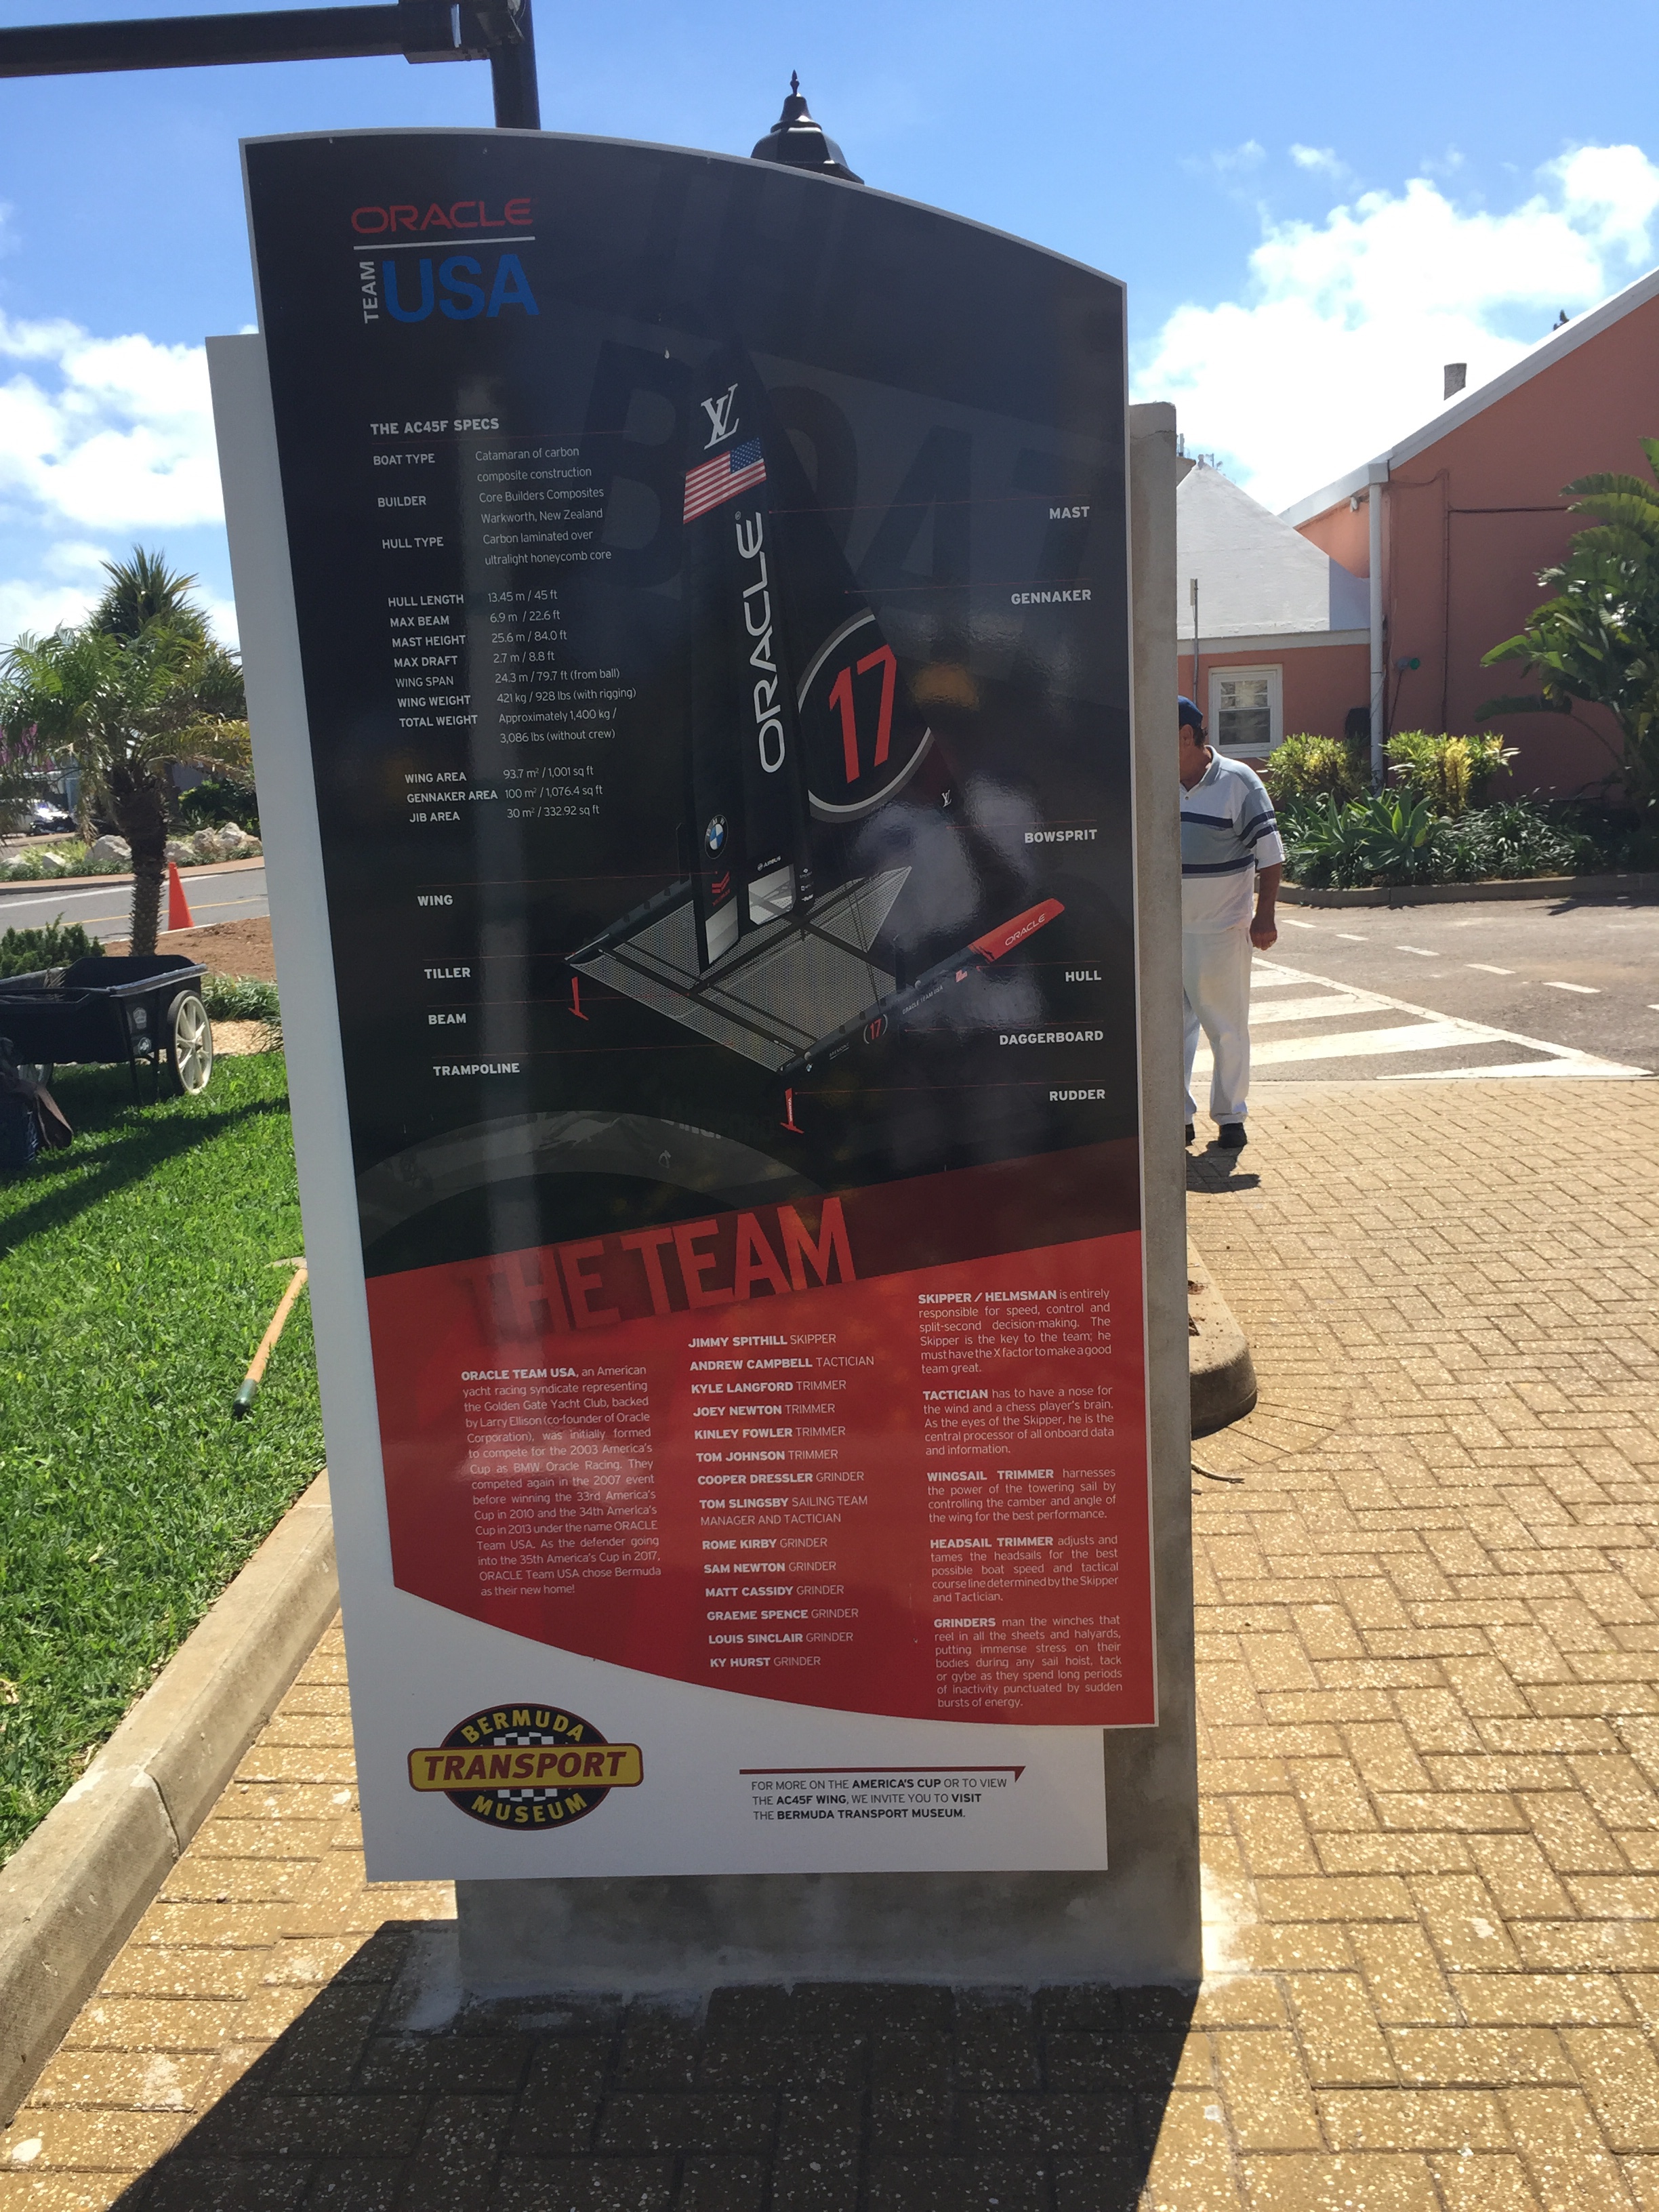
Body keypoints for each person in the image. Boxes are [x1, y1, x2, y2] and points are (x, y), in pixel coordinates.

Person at [1178, 697, 1283, 1152]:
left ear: (1188, 736)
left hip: (1222, 930)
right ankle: (1177, 1118)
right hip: (1166, 933)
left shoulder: (1239, 782)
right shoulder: (1153, 779)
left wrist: (1265, 916)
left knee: (1226, 1027)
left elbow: (1271, 855)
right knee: (1171, 1030)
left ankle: (1231, 1116)